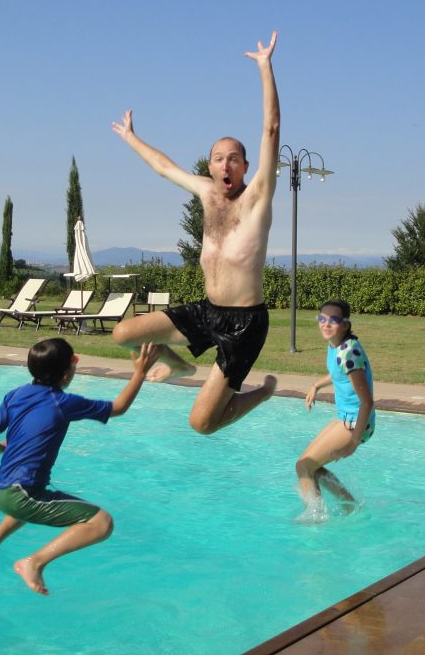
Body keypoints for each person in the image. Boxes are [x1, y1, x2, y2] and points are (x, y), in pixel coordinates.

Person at [110, 31, 281, 435]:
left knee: (202, 423)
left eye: (235, 160)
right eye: (219, 159)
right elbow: (164, 167)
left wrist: (264, 67)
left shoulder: (257, 196)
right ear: (210, 165)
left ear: (246, 166)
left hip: (245, 325)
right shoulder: (206, 193)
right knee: (123, 333)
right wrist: (132, 138)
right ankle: (180, 363)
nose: (226, 166)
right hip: (208, 311)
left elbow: (271, 128)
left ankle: (266, 391)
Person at [0, 337, 156, 595]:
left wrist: (3, 449)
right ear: (67, 373)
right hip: (21, 496)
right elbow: (119, 407)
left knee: (40, 497)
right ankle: (33, 562)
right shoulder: (63, 402)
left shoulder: (15, 395)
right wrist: (140, 372)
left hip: (1, 492)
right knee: (102, 523)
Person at [296, 299, 376, 520]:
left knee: (303, 466)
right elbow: (338, 373)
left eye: (333, 320)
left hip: (356, 422)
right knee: (311, 466)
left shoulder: (348, 353)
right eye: (322, 318)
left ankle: (316, 518)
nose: (326, 324)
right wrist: (316, 385)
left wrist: (352, 443)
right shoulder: (336, 346)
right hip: (346, 417)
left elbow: (367, 402)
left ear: (345, 325)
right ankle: (349, 505)